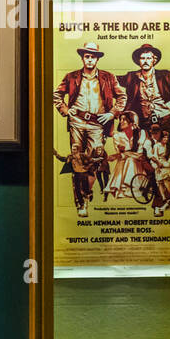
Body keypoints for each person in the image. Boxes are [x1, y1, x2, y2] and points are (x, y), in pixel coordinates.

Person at [53, 41, 125, 217]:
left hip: (97, 124)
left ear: (97, 59)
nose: (90, 60)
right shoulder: (72, 77)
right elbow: (57, 95)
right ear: (82, 58)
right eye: (87, 56)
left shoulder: (108, 77)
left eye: (93, 57)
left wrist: (112, 114)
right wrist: (65, 110)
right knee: (77, 162)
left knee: (93, 162)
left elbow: (122, 96)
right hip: (77, 121)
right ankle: (82, 202)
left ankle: (87, 193)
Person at [121, 43, 170, 138]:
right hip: (142, 120)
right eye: (142, 58)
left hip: (164, 119)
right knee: (142, 149)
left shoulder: (165, 76)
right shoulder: (131, 77)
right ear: (138, 61)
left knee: (162, 150)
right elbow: (112, 80)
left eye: (149, 58)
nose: (145, 61)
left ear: (154, 60)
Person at [105, 111, 143, 201]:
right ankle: (124, 186)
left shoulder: (140, 134)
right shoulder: (117, 136)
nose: (121, 121)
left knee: (130, 160)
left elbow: (140, 154)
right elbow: (120, 153)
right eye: (120, 119)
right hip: (123, 165)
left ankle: (133, 186)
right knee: (128, 160)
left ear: (131, 121)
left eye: (124, 119)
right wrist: (123, 154)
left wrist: (123, 154)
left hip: (138, 164)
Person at [140, 124, 170, 216]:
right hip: (147, 161)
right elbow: (150, 156)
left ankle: (166, 201)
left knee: (166, 179)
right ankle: (157, 207)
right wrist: (158, 163)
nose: (156, 135)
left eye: (158, 133)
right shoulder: (148, 142)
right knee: (155, 179)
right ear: (151, 133)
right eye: (154, 133)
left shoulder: (161, 143)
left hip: (158, 162)